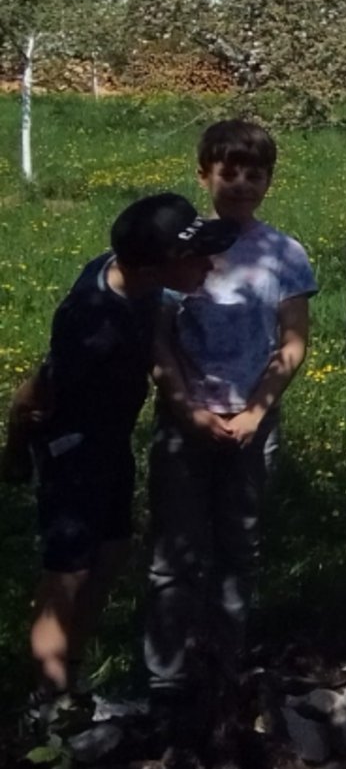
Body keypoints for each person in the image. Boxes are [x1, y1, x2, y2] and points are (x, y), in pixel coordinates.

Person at [5, 194, 235, 722]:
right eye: (197, 257)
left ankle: (71, 676)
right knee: (68, 571)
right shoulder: (94, 325)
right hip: (74, 451)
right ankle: (48, 704)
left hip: (108, 444)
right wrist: (17, 450)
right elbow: (36, 395)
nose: (208, 264)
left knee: (110, 555)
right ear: (157, 266)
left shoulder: (130, 280)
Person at [145, 120, 317, 733]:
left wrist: (256, 411)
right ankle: (166, 680)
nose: (242, 183)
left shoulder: (283, 253)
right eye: (229, 171)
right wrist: (187, 407)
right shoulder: (180, 249)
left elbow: (293, 343)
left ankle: (223, 668)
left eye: (255, 173)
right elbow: (158, 339)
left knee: (237, 551)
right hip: (184, 422)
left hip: (252, 423)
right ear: (204, 174)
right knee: (174, 555)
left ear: (269, 179)